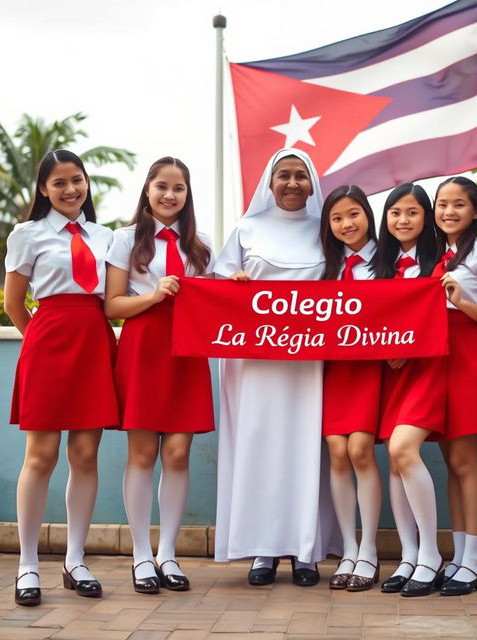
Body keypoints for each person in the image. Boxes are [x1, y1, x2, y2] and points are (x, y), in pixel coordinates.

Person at [214, 148, 340, 587]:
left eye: (300, 176)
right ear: (269, 182)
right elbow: (218, 287)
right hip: (256, 363)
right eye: (283, 175)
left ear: (312, 184)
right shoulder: (247, 229)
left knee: (307, 450)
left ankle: (306, 552)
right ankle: (263, 550)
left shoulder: (326, 232)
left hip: (309, 362)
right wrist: (235, 284)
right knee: (260, 447)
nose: (291, 184)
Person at [4, 150, 119, 606]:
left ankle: (76, 560)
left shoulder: (105, 235)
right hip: (48, 341)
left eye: (77, 180)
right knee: (41, 455)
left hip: (94, 340)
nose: (70, 190)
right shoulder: (26, 234)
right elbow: (15, 304)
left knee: (86, 454)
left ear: (86, 183)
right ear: (43, 189)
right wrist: (38, 345)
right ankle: (27, 565)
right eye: (59, 183)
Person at [104, 157, 215, 594]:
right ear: (147, 189)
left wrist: (236, 281)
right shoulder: (124, 239)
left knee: (178, 454)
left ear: (188, 195)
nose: (170, 195)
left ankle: (168, 553)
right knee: (143, 453)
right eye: (162, 186)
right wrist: (153, 295)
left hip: (187, 351)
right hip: (145, 346)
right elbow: (113, 305)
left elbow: (216, 296)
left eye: (179, 188)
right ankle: (140, 556)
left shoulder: (201, 243)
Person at [373, 183, 446, 597]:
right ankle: (408, 554)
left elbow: (439, 314)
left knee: (404, 449)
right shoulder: (381, 267)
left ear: (427, 216)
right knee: (395, 462)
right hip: (391, 372)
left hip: (428, 368)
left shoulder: (439, 262)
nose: (403, 220)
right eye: (395, 212)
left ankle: (431, 554)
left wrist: (410, 347)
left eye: (413, 212)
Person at [431, 177, 477, 596]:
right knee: (451, 465)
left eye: (459, 204)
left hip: (468, 355)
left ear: (476, 210)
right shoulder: (442, 252)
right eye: (442, 204)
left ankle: (475, 562)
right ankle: (459, 557)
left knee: (465, 461)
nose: (448, 211)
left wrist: (461, 301)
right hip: (439, 357)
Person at [319, 185, 382, 592]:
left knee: (360, 449)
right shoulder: (324, 264)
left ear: (368, 215)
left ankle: (371, 550)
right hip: (333, 368)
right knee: (337, 452)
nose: (346, 224)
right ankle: (348, 548)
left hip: (372, 366)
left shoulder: (388, 258)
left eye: (354, 214)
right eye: (337, 218)